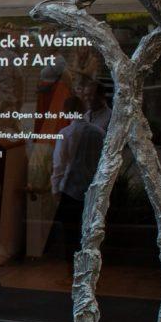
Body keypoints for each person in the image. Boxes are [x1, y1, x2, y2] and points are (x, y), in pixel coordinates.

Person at [51, 96, 105, 266]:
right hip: (93, 189)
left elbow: (59, 165)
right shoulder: (99, 133)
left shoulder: (66, 134)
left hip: (70, 191)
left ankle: (72, 270)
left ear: (66, 111)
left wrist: (55, 189)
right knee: (90, 232)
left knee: (71, 234)